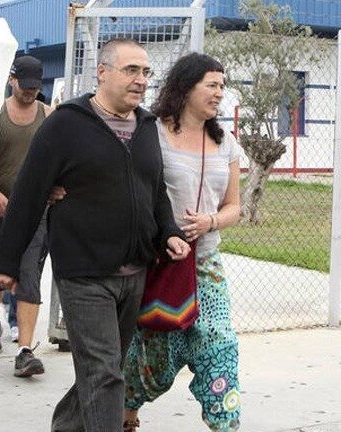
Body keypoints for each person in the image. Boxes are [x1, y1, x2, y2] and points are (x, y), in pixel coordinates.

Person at [0, 38, 191, 431]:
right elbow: (29, 192)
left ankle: (66, 426)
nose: (141, 79)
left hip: (134, 272)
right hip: (84, 272)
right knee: (103, 372)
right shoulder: (65, 124)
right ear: (102, 72)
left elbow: (154, 190)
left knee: (106, 369)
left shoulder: (146, 126)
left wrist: (168, 232)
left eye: (145, 72)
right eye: (131, 70)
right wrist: (7, 261)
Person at [122, 52, 242, 432]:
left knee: (219, 343)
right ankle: (126, 402)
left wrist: (211, 221)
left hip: (206, 263)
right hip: (161, 262)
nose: (219, 93)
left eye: (222, 86)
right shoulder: (152, 133)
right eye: (212, 85)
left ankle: (225, 422)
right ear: (186, 87)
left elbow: (234, 206)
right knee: (159, 353)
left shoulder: (226, 143)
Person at [0, 55, 52, 377]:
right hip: (0, 207)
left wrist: (56, 186)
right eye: (24, 85)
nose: (29, 92)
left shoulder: (49, 115)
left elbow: (61, 157)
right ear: (11, 80)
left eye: (35, 87)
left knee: (29, 274)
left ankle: (25, 350)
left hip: (36, 210)